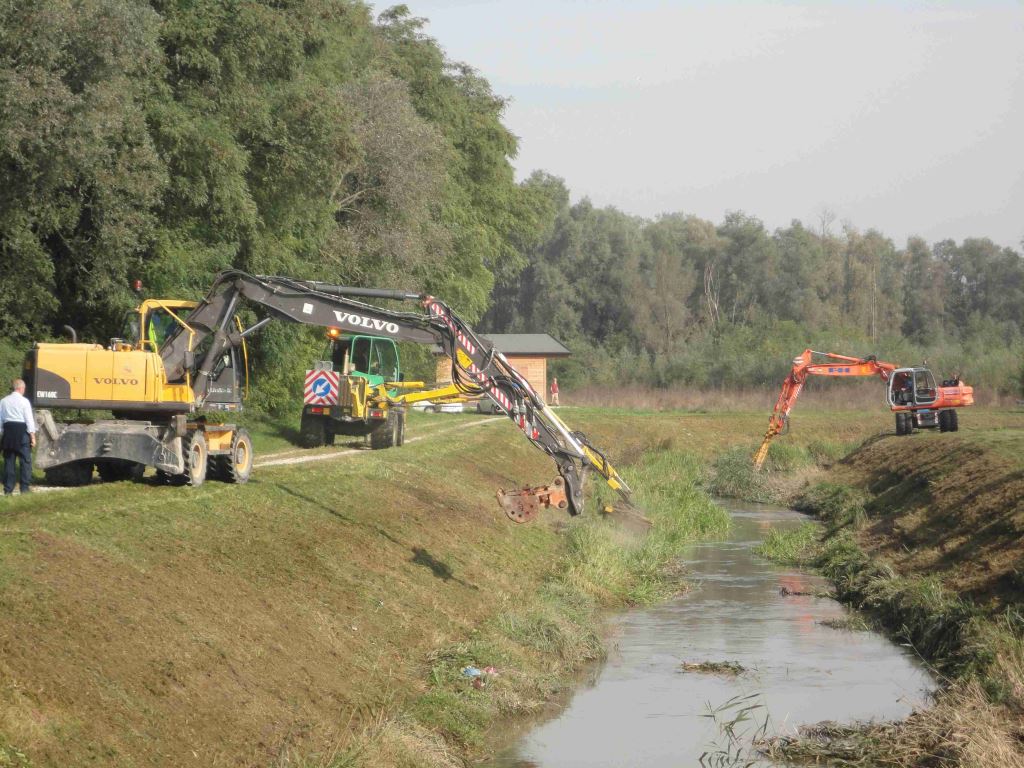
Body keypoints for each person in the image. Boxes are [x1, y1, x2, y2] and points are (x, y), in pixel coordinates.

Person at [1, 379, 36, 496]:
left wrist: (2, 433)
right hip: (22, 433)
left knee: (9, 463)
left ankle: (8, 490)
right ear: (21, 388)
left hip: (8, 432)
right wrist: (32, 436)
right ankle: (24, 489)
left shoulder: (3, 401)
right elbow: (29, 420)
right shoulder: (24, 401)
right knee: (25, 462)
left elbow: (0, 420)